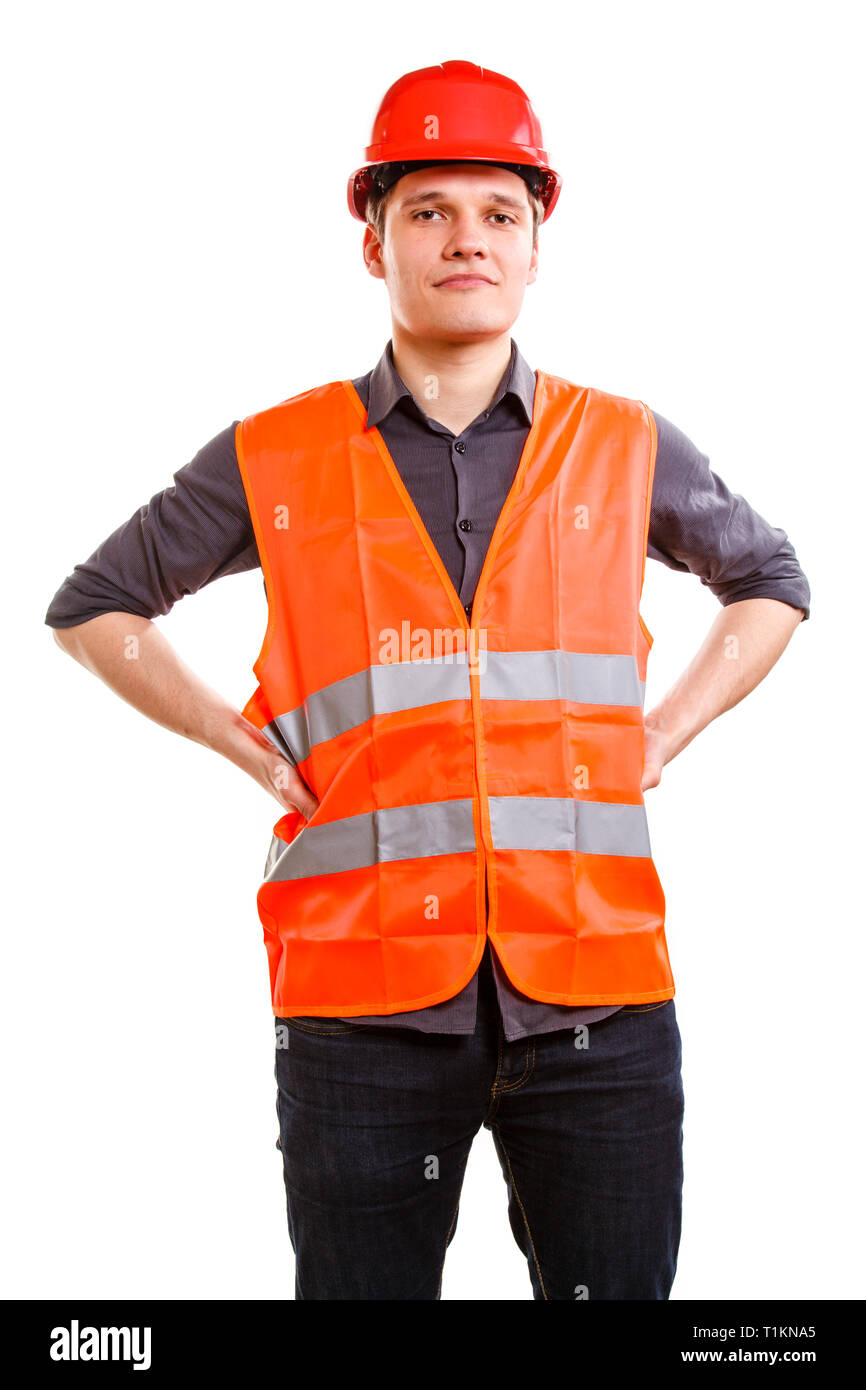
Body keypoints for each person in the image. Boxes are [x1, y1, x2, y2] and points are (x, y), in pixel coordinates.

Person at [45, 60, 811, 1301]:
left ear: (535, 244)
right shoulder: (276, 454)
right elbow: (96, 605)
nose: (467, 240)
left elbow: (771, 579)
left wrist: (662, 732)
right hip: (359, 1016)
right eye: (430, 210)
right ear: (374, 239)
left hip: (598, 1004)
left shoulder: (619, 444)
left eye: (498, 213)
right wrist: (239, 745)